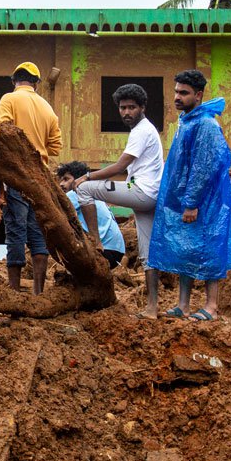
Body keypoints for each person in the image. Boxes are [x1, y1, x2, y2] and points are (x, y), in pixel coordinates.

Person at [149, 70, 231, 321]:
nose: (177, 97)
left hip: (206, 201)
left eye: (184, 93)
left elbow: (205, 165)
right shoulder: (188, 120)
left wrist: (192, 202)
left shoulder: (205, 124)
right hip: (185, 199)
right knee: (185, 248)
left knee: (211, 247)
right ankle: (183, 304)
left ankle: (211, 306)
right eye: (176, 91)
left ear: (199, 95)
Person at [72, 83, 165, 314]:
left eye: (131, 107)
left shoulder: (142, 130)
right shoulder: (144, 129)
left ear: (142, 107)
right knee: (147, 254)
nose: (126, 112)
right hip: (149, 195)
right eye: (122, 108)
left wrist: (88, 175)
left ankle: (96, 242)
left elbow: (120, 166)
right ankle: (152, 309)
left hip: (142, 192)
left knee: (85, 190)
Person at [0, 62, 62, 294]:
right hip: (40, 176)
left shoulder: (9, 99)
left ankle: (14, 291)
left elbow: (3, 132)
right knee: (37, 230)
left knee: (15, 228)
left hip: (17, 172)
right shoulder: (47, 107)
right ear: (36, 83)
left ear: (15, 81)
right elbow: (55, 146)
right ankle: (38, 291)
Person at [58, 162, 125, 268]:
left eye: (66, 179)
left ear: (77, 180)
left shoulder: (75, 192)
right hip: (117, 250)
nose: (61, 184)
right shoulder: (91, 193)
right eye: (61, 180)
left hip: (105, 250)